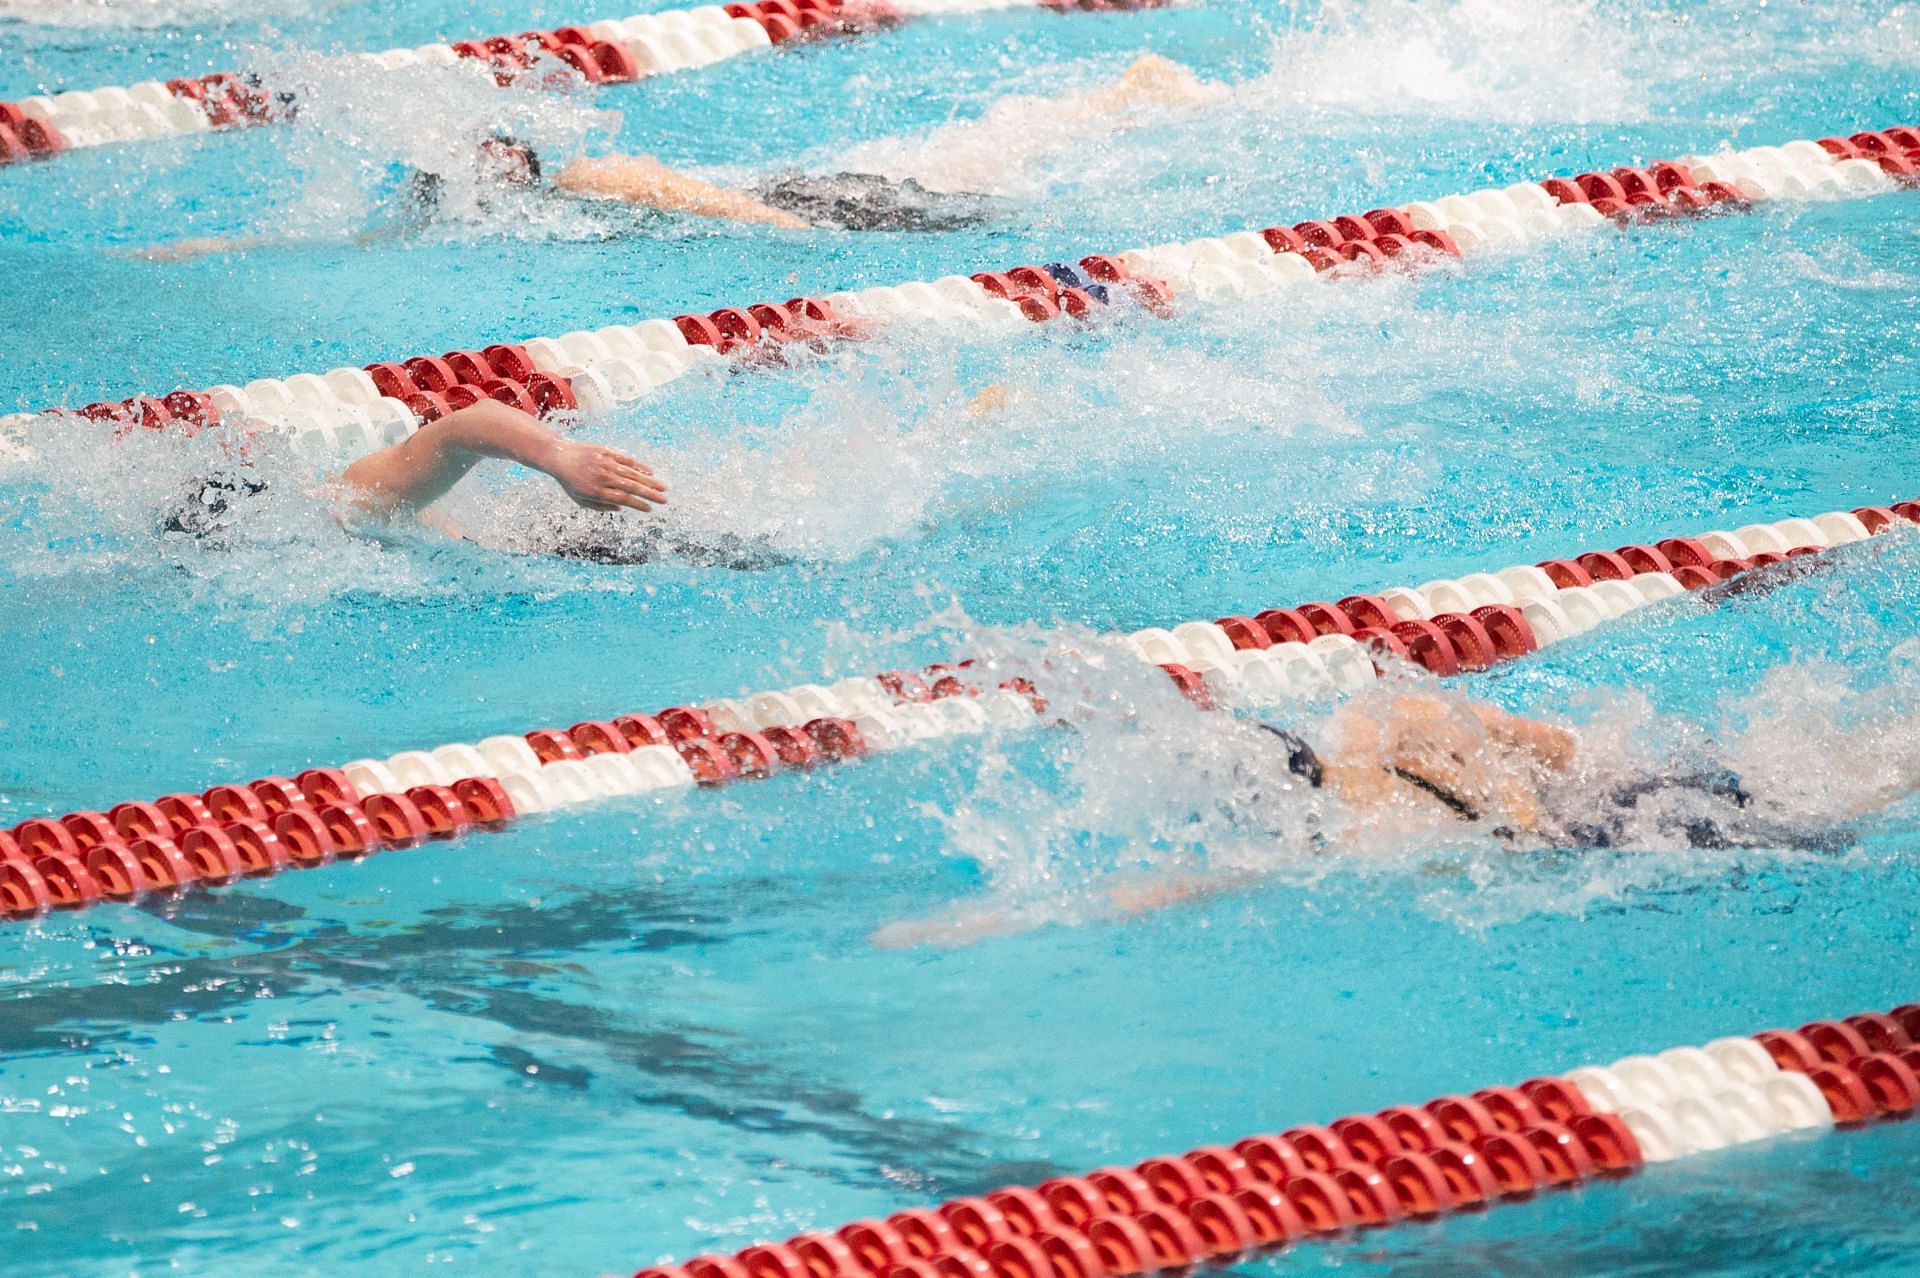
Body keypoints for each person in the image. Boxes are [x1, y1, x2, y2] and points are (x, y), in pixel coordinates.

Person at [873, 682, 1867, 948]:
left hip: (1622, 831)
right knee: (1848, 777)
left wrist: (1000, 920)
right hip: (1616, 818)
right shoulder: (1381, 736)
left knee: (1845, 791)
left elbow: (1181, 887)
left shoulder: (1369, 812)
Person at [134, 54, 1224, 258]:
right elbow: (361, 244)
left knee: (985, 182)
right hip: (784, 192)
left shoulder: (583, 180)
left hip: (805, 204)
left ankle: (1121, 100)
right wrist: (189, 255)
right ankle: (1117, 95)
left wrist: (806, 241)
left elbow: (680, 194)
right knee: (975, 157)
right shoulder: (472, 206)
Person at [161, 398, 686, 563]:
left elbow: (464, 425)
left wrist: (560, 456)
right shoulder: (323, 540)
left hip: (568, 540)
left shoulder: (351, 499)